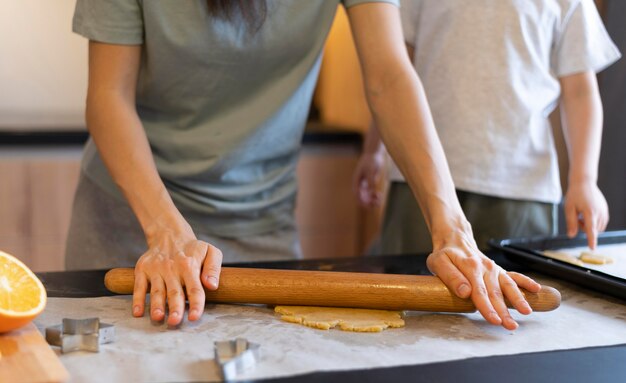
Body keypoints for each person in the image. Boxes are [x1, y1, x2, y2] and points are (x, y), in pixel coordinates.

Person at [67, 0, 541, 331]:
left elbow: (389, 76)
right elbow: (109, 95)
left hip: (259, 217)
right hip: (135, 219)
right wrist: (166, 231)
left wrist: (452, 229)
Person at [356, 0, 621, 257]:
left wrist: (584, 180)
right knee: (410, 292)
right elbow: (393, 70)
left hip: (521, 189)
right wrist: (374, 151)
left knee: (513, 297)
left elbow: (580, 93)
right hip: (419, 178)